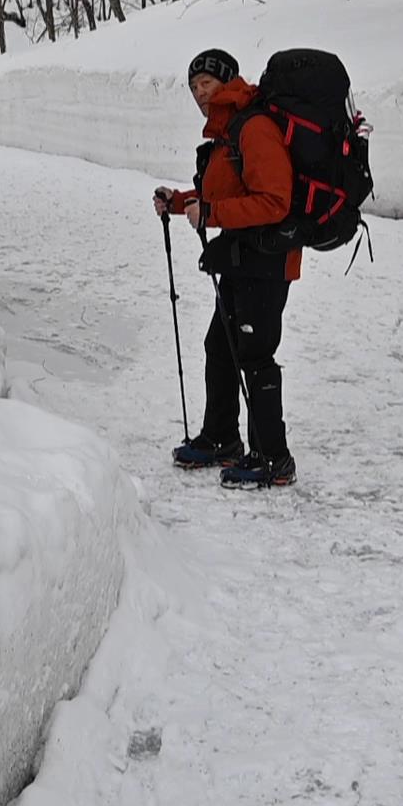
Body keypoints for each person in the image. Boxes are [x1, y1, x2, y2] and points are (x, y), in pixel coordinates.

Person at [153, 48, 299, 488]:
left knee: (254, 356)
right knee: (220, 347)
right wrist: (178, 203)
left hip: (267, 262)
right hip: (240, 258)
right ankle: (221, 438)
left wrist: (211, 213)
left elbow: (276, 201)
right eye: (194, 86)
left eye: (207, 84)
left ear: (228, 82)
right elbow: (218, 193)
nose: (200, 93)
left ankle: (274, 457)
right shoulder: (226, 132)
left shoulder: (253, 128)